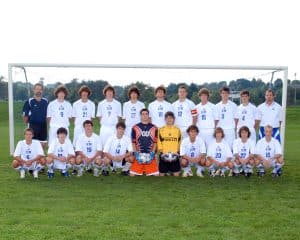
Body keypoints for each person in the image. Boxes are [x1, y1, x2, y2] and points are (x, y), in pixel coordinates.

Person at [130, 108, 159, 176]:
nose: (145, 116)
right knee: (132, 175)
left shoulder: (154, 127)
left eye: (146, 114)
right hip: (139, 154)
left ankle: (146, 170)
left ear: (148, 115)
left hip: (150, 155)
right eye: (143, 114)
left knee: (156, 175)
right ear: (140, 116)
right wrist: (136, 153)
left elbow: (155, 142)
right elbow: (133, 142)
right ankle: (142, 169)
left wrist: (152, 153)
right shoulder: (135, 127)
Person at [22, 83, 48, 149]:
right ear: (33, 90)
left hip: (43, 126)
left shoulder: (46, 101)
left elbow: (48, 115)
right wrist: (29, 121)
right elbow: (25, 117)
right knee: (32, 146)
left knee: (43, 146)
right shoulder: (29, 101)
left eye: (40, 89)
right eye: (37, 89)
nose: (38, 91)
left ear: (42, 91)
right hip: (32, 127)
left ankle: (39, 159)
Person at [97, 85, 122, 149]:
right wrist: (105, 122)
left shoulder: (118, 104)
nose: (109, 93)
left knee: (113, 145)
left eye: (111, 92)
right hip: (104, 127)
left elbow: (119, 117)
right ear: (105, 93)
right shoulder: (101, 104)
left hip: (113, 127)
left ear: (113, 93)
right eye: (108, 92)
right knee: (103, 145)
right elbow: (99, 116)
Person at [157, 111, 181, 176]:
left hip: (174, 155)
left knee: (176, 175)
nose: (169, 119)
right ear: (165, 119)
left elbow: (179, 142)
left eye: (171, 118)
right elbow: (159, 142)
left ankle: (171, 171)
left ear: (174, 119)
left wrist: (177, 152)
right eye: (167, 118)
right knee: (161, 175)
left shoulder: (177, 130)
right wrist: (162, 153)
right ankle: (167, 171)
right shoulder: (161, 129)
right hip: (164, 155)